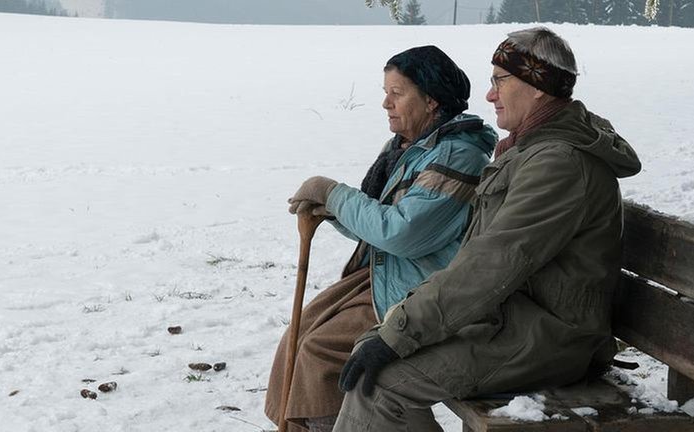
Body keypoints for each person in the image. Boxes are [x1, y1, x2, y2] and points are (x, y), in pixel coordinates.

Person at [331, 27, 643, 431]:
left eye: (499, 80)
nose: (490, 94)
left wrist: (401, 331)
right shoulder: (527, 151)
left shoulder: (558, 164)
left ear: (536, 87)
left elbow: (492, 263)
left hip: (549, 339)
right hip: (515, 322)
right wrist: (396, 328)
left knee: (382, 384)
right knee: (370, 354)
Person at [264, 45, 498, 432]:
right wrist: (330, 210)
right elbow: (380, 224)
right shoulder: (411, 150)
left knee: (319, 353)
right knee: (302, 333)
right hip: (390, 275)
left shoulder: (458, 156)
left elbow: (402, 233)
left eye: (397, 92)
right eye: (385, 91)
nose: (385, 103)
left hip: (422, 292)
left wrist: (335, 195)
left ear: (431, 100)